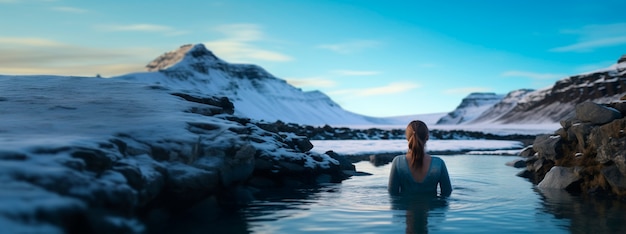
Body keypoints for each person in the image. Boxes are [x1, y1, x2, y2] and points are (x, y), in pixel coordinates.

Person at [388, 120, 452, 197]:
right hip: (432, 208)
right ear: (427, 137)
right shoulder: (438, 163)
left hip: (405, 207)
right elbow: (447, 192)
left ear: (407, 138)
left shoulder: (398, 162)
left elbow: (392, 193)